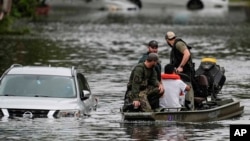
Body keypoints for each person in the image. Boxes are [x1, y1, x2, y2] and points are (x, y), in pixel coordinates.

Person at [165, 31, 198, 110]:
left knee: (188, 89)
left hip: (186, 73)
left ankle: (191, 109)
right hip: (179, 74)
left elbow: (187, 54)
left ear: (166, 40)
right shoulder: (174, 47)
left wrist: (181, 66)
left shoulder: (178, 44)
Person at [138, 40, 163, 109]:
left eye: (156, 48)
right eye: (153, 48)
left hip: (154, 86)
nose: (154, 50)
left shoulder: (156, 59)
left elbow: (158, 75)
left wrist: (161, 84)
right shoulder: (145, 60)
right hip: (146, 86)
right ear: (148, 48)